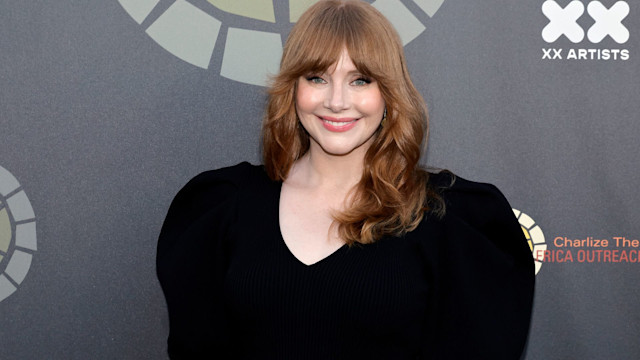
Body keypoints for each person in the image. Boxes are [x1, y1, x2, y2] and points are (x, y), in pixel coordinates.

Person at [156, 0, 535, 359]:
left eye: (360, 80)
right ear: (293, 88)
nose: (337, 101)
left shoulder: (443, 216)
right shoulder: (224, 207)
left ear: (389, 93)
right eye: (317, 77)